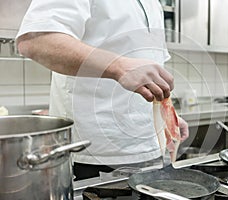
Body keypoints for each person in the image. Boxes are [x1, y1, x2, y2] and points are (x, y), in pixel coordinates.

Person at [16, 0, 189, 180]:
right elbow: (35, 40)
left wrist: (167, 116)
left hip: (149, 151)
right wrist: (118, 67)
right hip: (92, 155)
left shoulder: (153, 4)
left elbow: (147, 66)